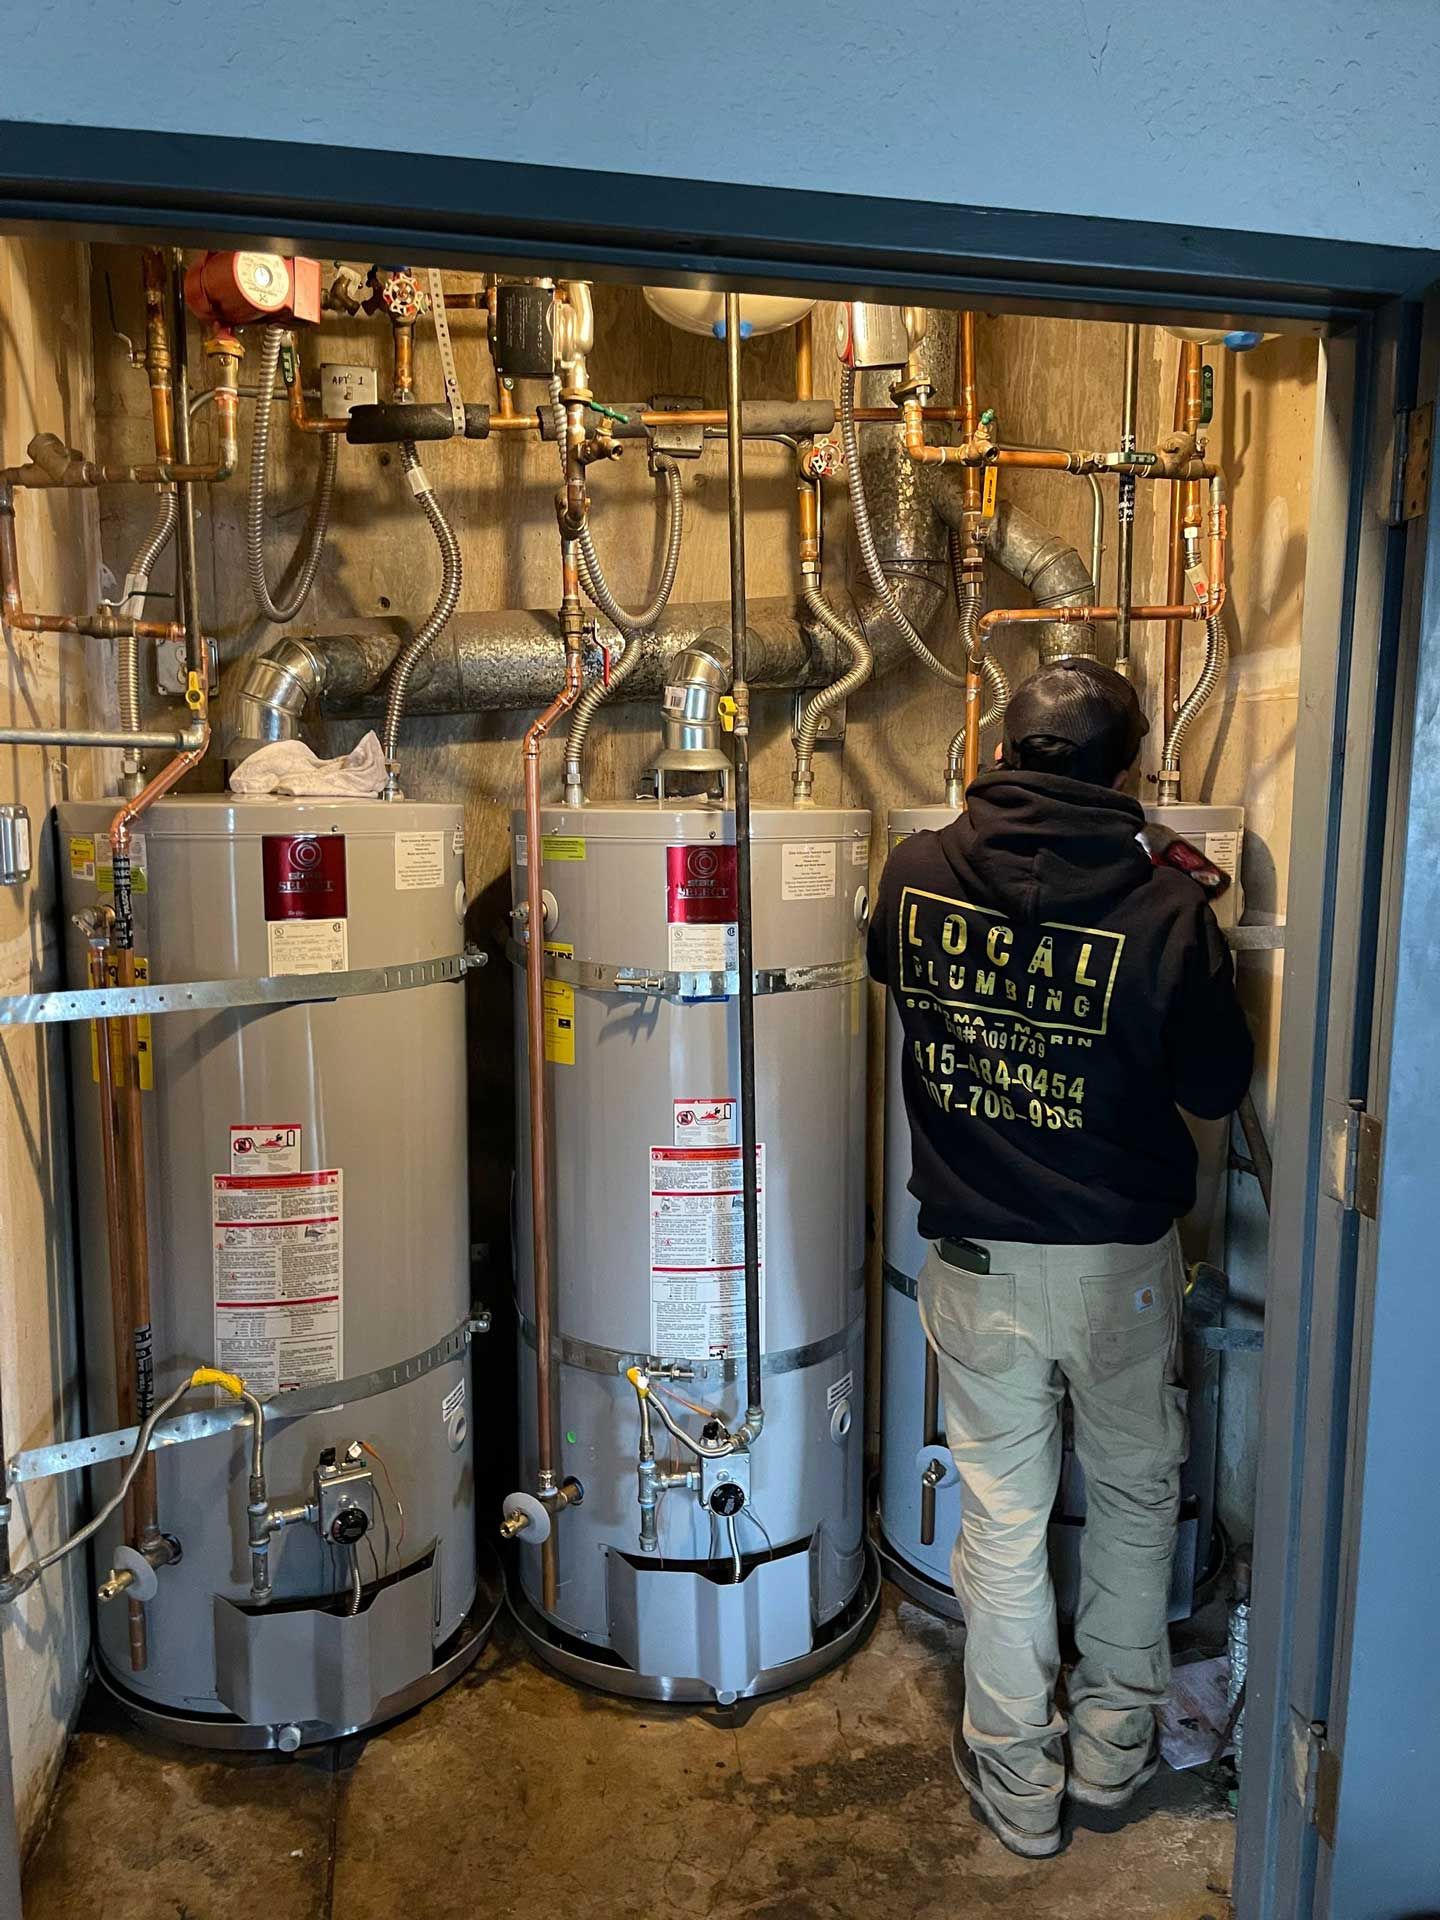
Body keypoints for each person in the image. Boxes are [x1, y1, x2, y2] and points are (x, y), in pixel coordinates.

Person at [867, 657, 1253, 1858]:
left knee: (1001, 1513)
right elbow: (1216, 1085)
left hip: (979, 1259)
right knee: (1138, 1498)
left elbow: (896, 974)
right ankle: (1111, 1752)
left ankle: (1017, 1779)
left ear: (1006, 747)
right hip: (1119, 1264)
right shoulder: (1167, 908)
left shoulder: (919, 870)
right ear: (1124, 767)